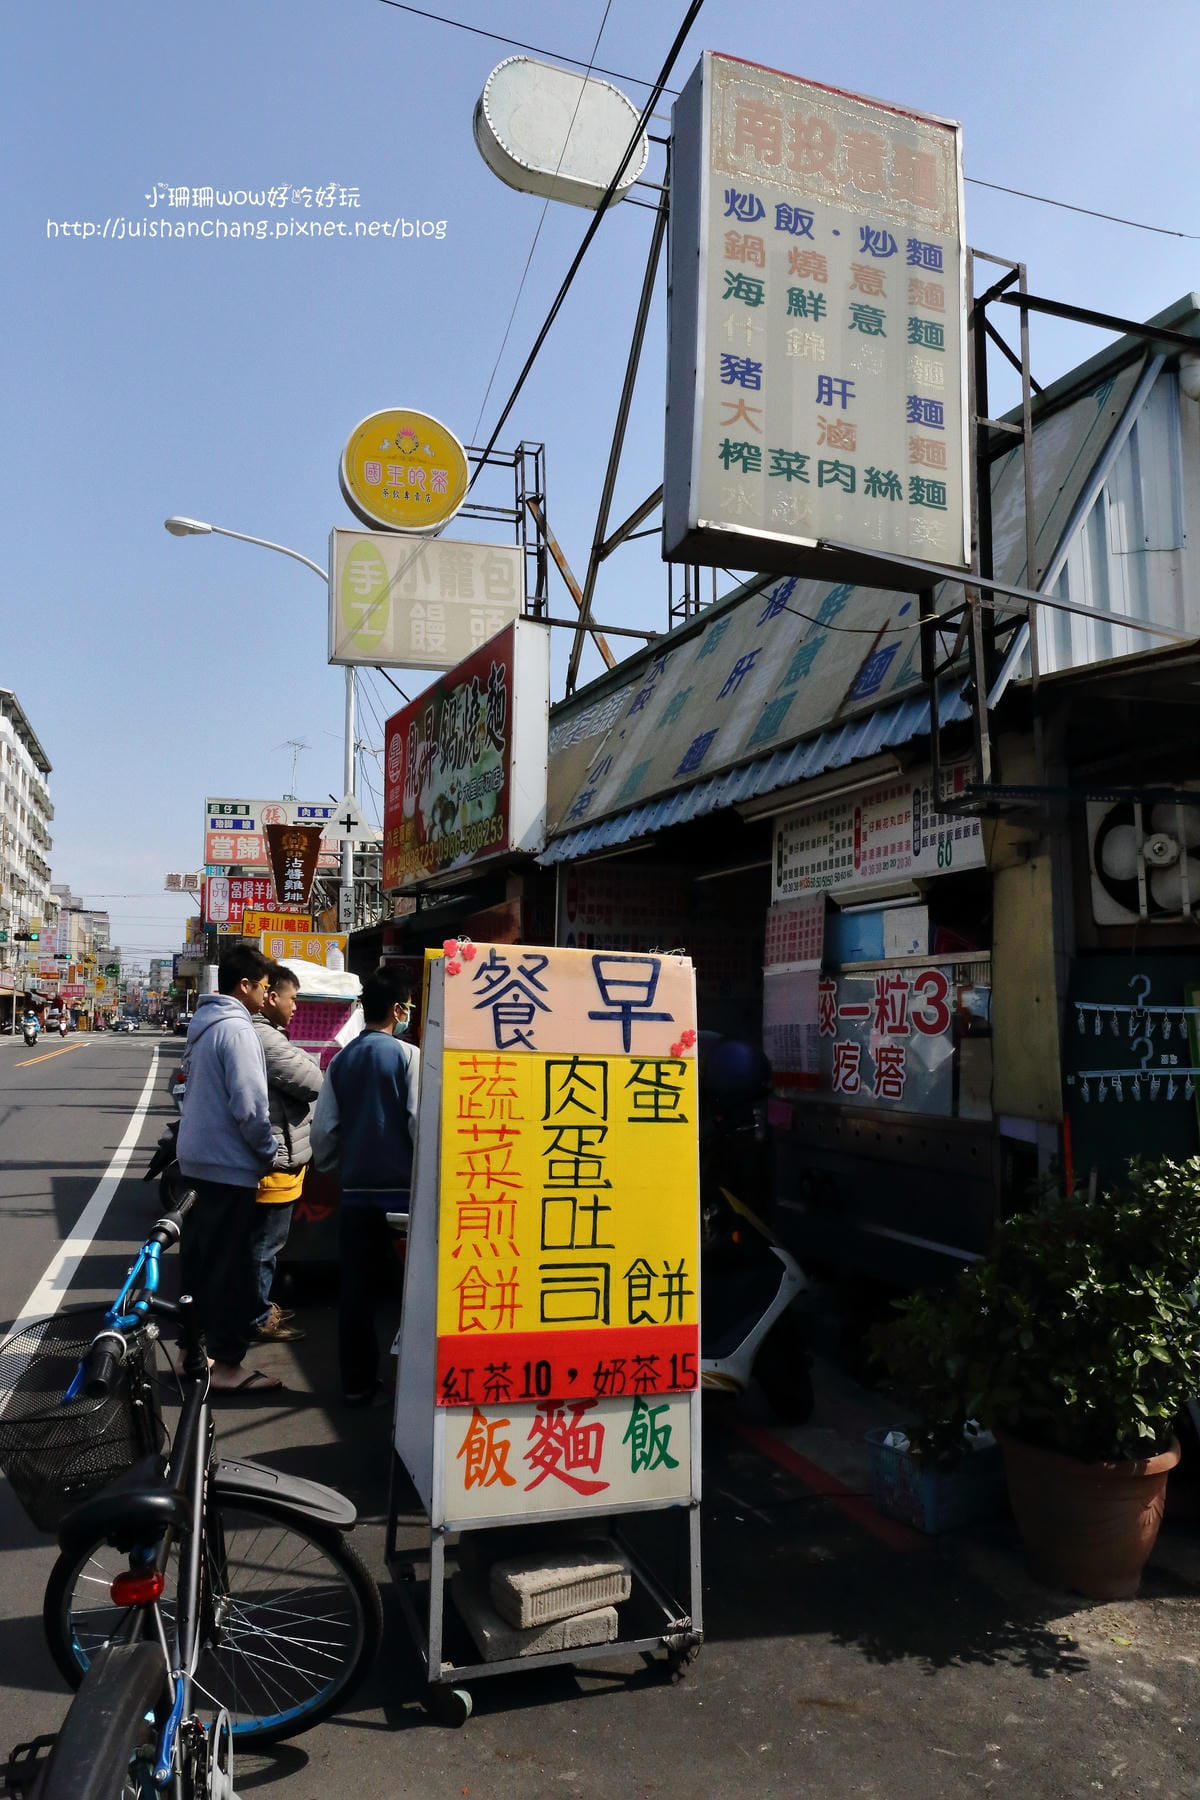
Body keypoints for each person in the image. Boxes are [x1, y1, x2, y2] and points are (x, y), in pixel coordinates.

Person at [311, 967, 419, 1404]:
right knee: (413, 1292)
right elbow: (418, 1123)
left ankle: (357, 1384)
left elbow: (323, 1132)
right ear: (397, 1010)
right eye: (408, 1006)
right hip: (405, 1199)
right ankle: (413, 1387)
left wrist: (335, 1165)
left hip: (355, 1196)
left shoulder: (341, 1060)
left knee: (357, 1294)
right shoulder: (409, 1057)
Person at [176, 943, 281, 1393]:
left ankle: (192, 1354)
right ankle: (226, 1367)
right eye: (264, 987)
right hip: (227, 1164)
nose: (268, 995)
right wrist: (268, 1151)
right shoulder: (238, 1030)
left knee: (199, 1265)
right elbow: (251, 1105)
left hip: (197, 1160)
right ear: (244, 985)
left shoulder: (204, 1025)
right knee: (230, 1270)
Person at [248, 963, 324, 1343]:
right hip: (274, 1164)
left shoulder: (270, 1035)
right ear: (271, 996)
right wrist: (309, 1060)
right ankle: (257, 1318)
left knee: (265, 1246)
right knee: (264, 1247)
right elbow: (314, 1081)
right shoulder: (265, 1038)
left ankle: (258, 1309)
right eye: (293, 999)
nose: (296, 1007)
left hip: (279, 1161)